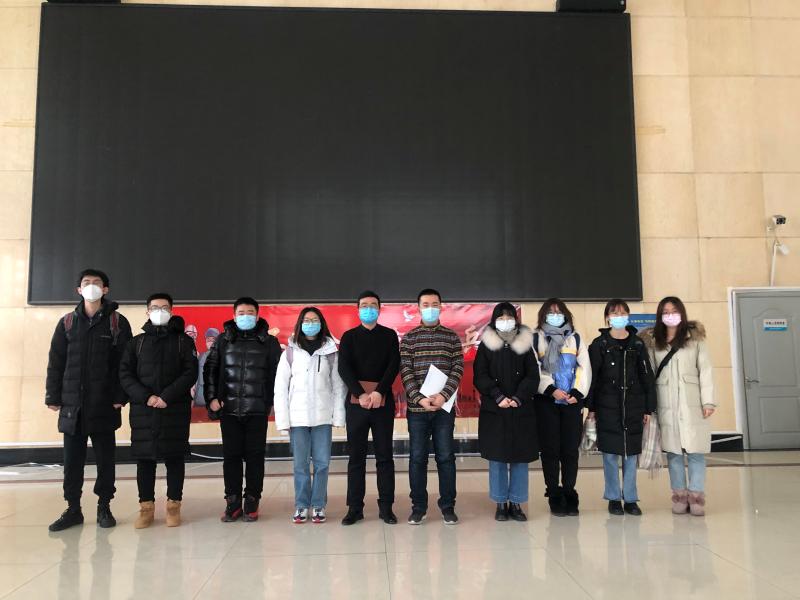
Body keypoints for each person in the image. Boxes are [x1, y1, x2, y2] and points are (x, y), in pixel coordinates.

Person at [45, 269, 132, 531]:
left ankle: (104, 506)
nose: (91, 286)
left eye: (96, 283)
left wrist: (120, 396)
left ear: (105, 289)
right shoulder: (67, 323)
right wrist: (52, 395)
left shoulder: (117, 322)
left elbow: (124, 363)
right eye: (86, 283)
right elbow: (56, 362)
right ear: (79, 290)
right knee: (72, 462)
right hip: (72, 406)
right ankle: (73, 508)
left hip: (104, 404)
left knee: (106, 460)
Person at [119, 293, 198, 528]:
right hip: (144, 409)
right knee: (145, 459)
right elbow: (125, 374)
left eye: (164, 308)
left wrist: (166, 396)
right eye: (155, 308)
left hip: (174, 408)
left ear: (171, 311)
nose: (159, 311)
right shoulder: (136, 343)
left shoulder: (183, 342)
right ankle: (146, 508)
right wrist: (147, 397)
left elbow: (190, 372)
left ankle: (173, 506)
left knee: (175, 458)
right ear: (147, 312)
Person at [204, 297, 281, 522]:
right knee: (231, 456)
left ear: (257, 316)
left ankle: (252, 499)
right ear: (234, 315)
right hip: (229, 409)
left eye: (250, 313)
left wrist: (272, 402)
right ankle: (233, 501)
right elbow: (210, 369)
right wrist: (211, 398)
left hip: (257, 409)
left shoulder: (269, 342)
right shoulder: (223, 339)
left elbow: (277, 374)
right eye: (241, 313)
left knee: (255, 457)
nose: (245, 316)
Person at [641, 296, 715, 516]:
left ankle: (697, 496)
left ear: (681, 313)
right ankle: (680, 495)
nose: (670, 315)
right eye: (665, 312)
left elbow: (706, 370)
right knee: (673, 452)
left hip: (692, 403)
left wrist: (708, 401)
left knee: (695, 451)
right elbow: (649, 375)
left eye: (674, 311)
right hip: (665, 403)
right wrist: (649, 406)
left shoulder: (695, 339)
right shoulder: (654, 341)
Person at [274, 307, 346, 524]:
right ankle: (301, 505)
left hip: (322, 418)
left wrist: (338, 417)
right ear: (300, 324)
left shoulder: (330, 352)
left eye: (315, 320)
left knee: (322, 463)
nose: (311, 323)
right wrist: (283, 421)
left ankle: (318, 505)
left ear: (321, 324)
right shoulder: (289, 353)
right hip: (297, 419)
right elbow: (280, 388)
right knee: (301, 465)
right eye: (307, 320)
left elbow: (338, 387)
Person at [587, 299, 656, 516]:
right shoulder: (599, 344)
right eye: (614, 313)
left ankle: (631, 498)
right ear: (607, 317)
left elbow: (647, 378)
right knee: (610, 455)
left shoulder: (638, 344)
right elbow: (592, 379)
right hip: (607, 407)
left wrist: (648, 408)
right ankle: (614, 498)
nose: (619, 317)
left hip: (634, 407)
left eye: (623, 313)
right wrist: (591, 408)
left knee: (630, 455)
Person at [400, 288, 464, 525]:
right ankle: (418, 507)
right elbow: (405, 371)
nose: (430, 308)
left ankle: (448, 506)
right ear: (418, 308)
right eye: (425, 304)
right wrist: (419, 398)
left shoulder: (452, 337)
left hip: (443, 410)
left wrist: (443, 396)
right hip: (417, 411)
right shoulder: (409, 338)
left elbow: (458, 369)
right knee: (417, 458)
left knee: (445, 457)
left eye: (434, 304)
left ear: (441, 306)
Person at [338, 291, 401, 525]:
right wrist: (360, 394)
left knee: (385, 456)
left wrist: (379, 392)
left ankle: (386, 507)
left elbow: (393, 365)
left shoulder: (389, 335)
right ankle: (355, 508)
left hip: (382, 404)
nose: (368, 309)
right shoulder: (349, 337)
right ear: (358, 310)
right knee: (356, 457)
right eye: (364, 305)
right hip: (357, 405)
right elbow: (344, 368)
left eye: (373, 305)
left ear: (379, 309)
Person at [473, 302, 540, 522]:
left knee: (520, 459)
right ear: (494, 321)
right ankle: (501, 503)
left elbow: (533, 376)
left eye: (509, 317)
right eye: (500, 318)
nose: (505, 321)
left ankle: (517, 503)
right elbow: (480, 376)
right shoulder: (486, 345)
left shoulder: (524, 344)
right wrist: (498, 396)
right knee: (498, 458)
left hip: (521, 408)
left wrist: (519, 397)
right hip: (495, 408)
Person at [533, 298, 592, 517]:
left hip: (571, 403)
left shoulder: (575, 338)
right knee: (550, 450)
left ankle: (569, 492)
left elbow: (584, 367)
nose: (555, 316)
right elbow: (534, 368)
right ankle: (554, 493)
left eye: (559, 312)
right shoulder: (536, 338)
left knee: (569, 450)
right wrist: (551, 389)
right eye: (551, 312)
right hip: (546, 402)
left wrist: (577, 392)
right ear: (543, 315)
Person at [194, 327, 219, 407]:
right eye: (208, 339)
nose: (210, 342)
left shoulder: (222, 356)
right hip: (199, 398)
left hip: (215, 398)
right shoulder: (201, 357)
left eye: (213, 339)